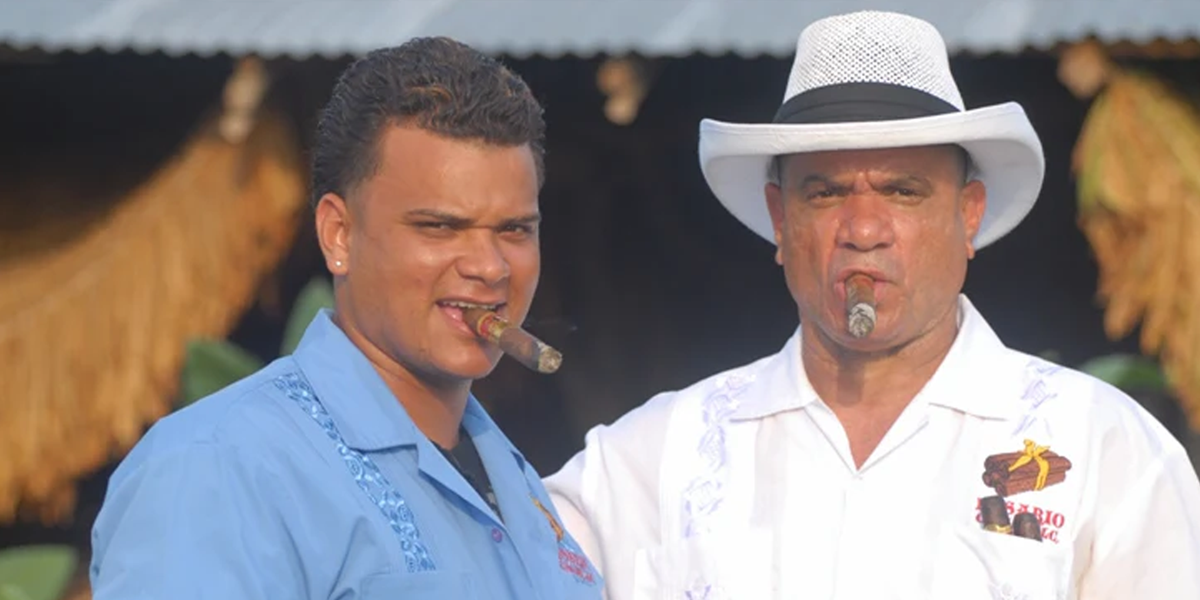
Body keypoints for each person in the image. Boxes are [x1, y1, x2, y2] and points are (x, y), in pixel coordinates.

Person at [544, 10, 1200, 600]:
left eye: (903, 191)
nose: (863, 228)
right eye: (826, 193)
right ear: (780, 219)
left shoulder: (1103, 451)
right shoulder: (651, 460)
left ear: (968, 215)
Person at [90, 37, 602, 599]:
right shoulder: (218, 467)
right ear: (339, 234)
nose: (488, 266)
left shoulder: (513, 480)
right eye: (439, 227)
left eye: (514, 230)